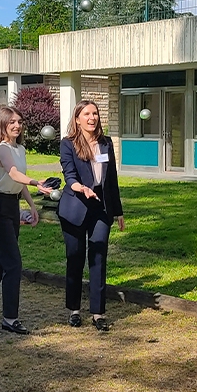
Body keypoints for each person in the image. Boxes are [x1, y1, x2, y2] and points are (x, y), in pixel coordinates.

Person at [0, 106, 51, 335]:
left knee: (4, 258)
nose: (17, 126)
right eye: (12, 122)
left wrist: (32, 205)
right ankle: (10, 318)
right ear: (3, 125)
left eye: (19, 122)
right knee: (13, 263)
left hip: (12, 205)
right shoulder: (2, 149)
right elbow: (14, 173)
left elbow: (19, 182)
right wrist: (37, 183)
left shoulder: (20, 149)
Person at [58, 100, 125, 331]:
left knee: (98, 257)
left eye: (94, 113)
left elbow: (112, 180)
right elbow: (69, 175)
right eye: (86, 114)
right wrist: (81, 188)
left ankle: (98, 313)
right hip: (75, 206)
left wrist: (118, 211)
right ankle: (74, 310)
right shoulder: (68, 144)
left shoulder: (106, 143)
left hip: (100, 208)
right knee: (75, 258)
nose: (91, 118)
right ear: (77, 119)